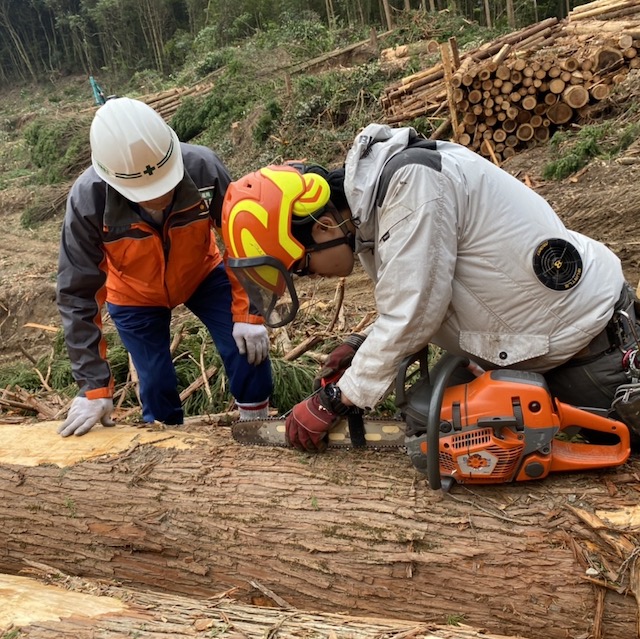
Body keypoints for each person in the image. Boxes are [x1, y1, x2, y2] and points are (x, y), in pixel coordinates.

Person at [220, 123, 640, 452]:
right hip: (545, 351)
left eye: (303, 269)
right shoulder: (378, 210)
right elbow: (427, 287)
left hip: (596, 355)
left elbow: (414, 312)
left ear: (325, 225)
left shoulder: (412, 189)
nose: (312, 279)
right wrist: (363, 345)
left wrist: (334, 400)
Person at [56, 97, 272, 437]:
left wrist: (250, 313)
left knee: (245, 350)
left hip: (202, 273)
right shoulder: (89, 200)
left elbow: (241, 239)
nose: (159, 198)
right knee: (155, 381)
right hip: (132, 294)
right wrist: (94, 386)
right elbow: (76, 293)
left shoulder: (203, 167)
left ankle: (258, 424)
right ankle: (165, 443)